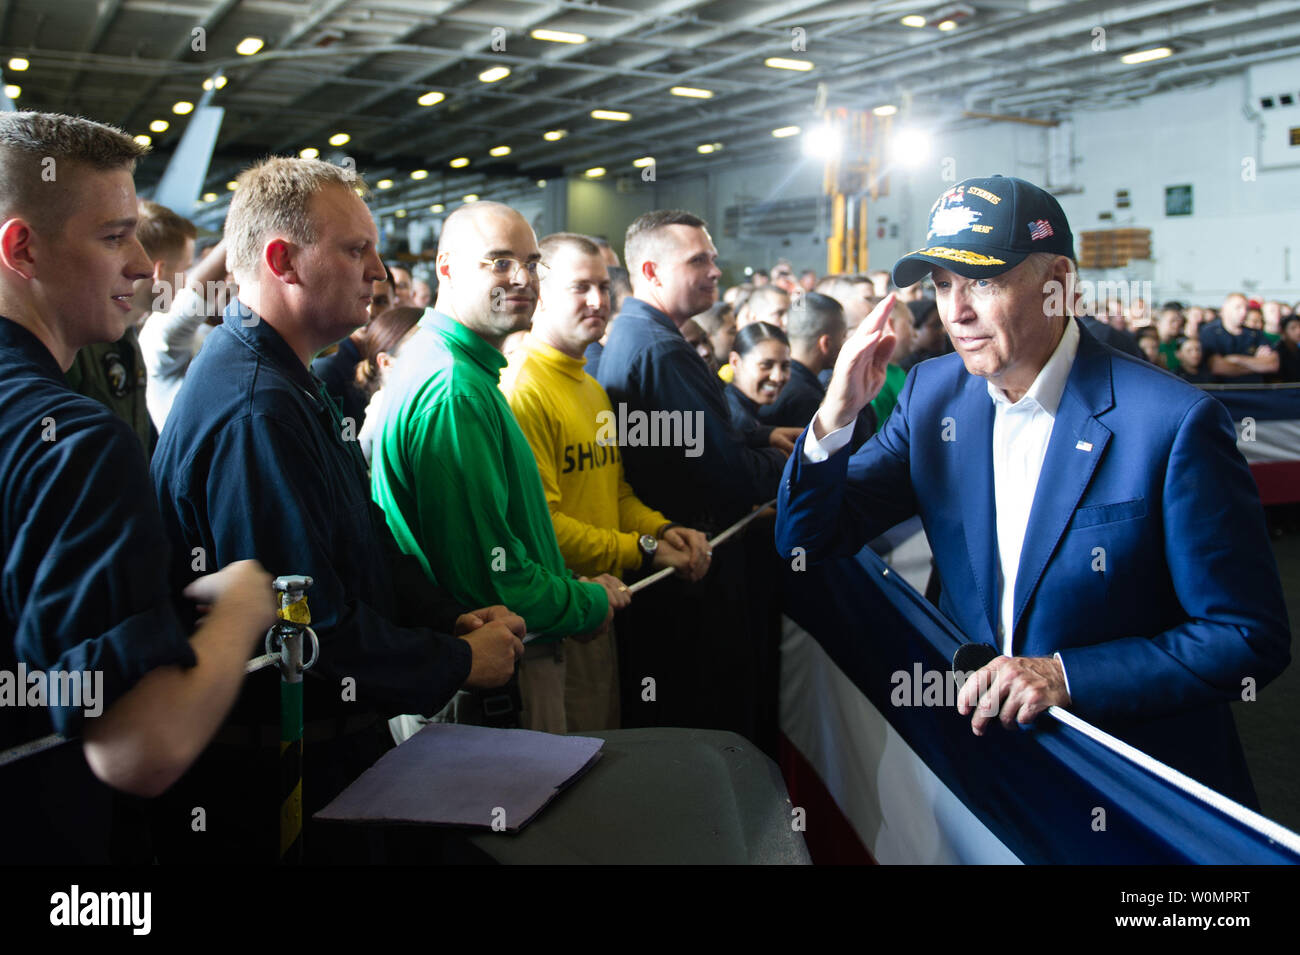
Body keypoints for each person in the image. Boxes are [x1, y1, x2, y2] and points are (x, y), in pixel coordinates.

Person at [775, 175, 1290, 807]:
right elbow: (806, 537)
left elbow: (1246, 637)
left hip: (1123, 784)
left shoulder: (1172, 423)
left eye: (983, 282)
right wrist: (833, 418)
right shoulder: (930, 394)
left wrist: (1067, 676)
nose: (955, 312)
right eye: (942, 284)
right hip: (979, 771)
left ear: (1060, 283)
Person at [151, 158, 524, 861]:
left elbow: (363, 537)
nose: (378, 271)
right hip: (281, 776)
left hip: (331, 749)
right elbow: (308, 625)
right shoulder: (255, 408)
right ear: (282, 260)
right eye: (356, 250)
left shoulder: (285, 377)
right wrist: (455, 661)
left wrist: (445, 616)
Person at [0, 111, 277, 863]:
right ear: (22, 248)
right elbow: (138, 744)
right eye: (113, 236)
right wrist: (242, 610)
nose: (146, 268)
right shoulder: (76, 443)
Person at [369, 203, 628, 734]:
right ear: (446, 269)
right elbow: (493, 580)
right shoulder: (455, 391)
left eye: (532, 263)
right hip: (492, 688)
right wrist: (586, 602)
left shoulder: (458, 370)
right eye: (499, 262)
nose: (523, 278)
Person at [597, 209, 799, 746]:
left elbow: (692, 434)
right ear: (652, 271)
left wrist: (758, 435)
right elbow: (726, 475)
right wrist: (799, 460)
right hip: (693, 572)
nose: (715, 270)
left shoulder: (640, 335)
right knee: (709, 727)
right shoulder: (664, 351)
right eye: (698, 260)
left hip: (674, 562)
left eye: (712, 257)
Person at [501, 232, 711, 731]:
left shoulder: (591, 388)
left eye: (602, 286)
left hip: (600, 610)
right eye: (579, 288)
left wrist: (661, 530)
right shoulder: (523, 388)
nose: (597, 301)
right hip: (553, 622)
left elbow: (613, 494)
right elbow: (543, 526)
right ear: (541, 292)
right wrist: (642, 549)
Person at [724, 322, 790, 430]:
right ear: (735, 362)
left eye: (785, 366)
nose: (778, 377)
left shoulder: (744, 413)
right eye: (766, 365)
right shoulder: (736, 421)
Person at [1201, 292, 1278, 382]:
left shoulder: (1255, 334)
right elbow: (1217, 367)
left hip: (1254, 390)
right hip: (1221, 391)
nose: (1243, 312)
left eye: (1246, 308)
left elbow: (1272, 364)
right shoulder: (1210, 332)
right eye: (1238, 307)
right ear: (1225, 309)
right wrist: (1256, 364)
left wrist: (1235, 359)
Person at [1277, 315, 1300, 382]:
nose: (1298, 331)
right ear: (1283, 331)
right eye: (1293, 328)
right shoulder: (1278, 351)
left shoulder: (1297, 349)